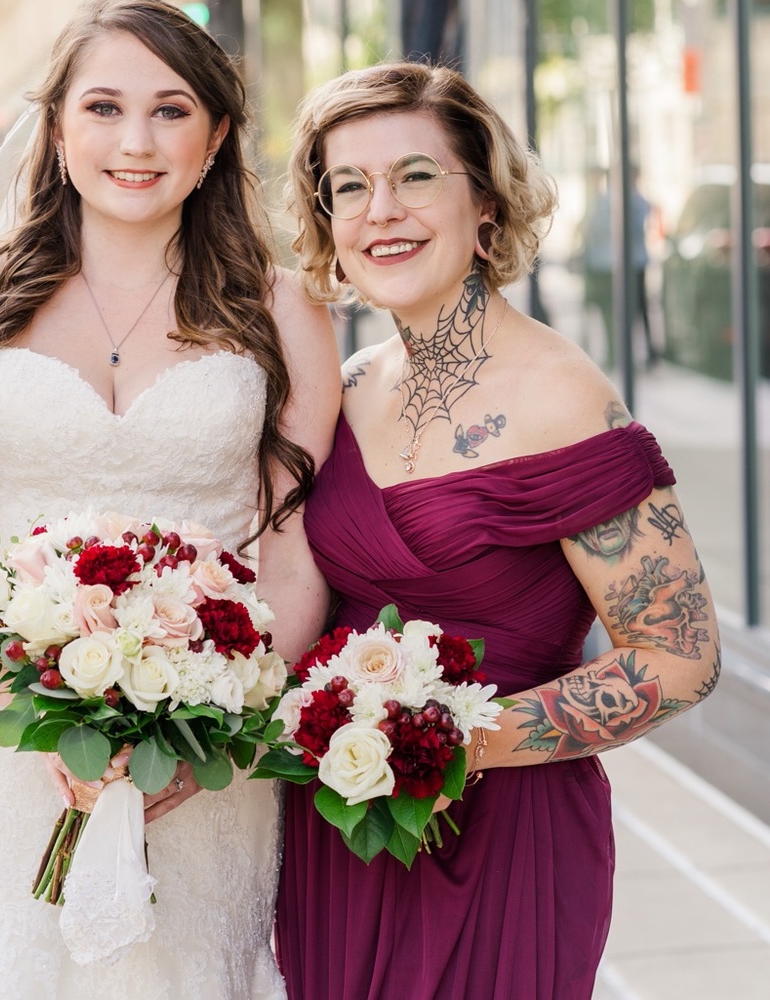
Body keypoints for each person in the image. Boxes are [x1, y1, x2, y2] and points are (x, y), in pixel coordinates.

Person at [0, 2, 339, 997]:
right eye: (104, 107)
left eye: (171, 110)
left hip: (200, 760)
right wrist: (31, 704)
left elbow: (292, 561)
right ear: (56, 127)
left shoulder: (281, 307)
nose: (136, 142)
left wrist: (212, 730)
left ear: (216, 137)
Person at [275, 62, 720, 999]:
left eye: (415, 175)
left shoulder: (564, 397)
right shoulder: (343, 387)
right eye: (349, 186)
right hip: (338, 829)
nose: (380, 210)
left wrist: (445, 741)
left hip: (506, 835)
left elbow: (680, 659)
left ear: (485, 201)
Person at [583, 166, 659, 368]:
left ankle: (619, 353)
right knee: (635, 309)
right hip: (628, 263)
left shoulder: (606, 200)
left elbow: (593, 230)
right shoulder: (632, 199)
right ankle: (635, 352)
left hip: (611, 264)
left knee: (615, 311)